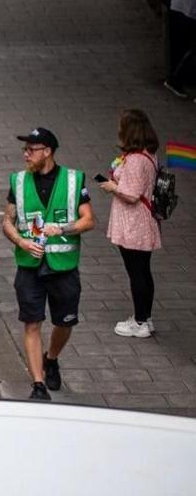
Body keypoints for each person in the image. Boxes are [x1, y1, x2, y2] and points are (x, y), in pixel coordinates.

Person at [2, 127, 94, 401]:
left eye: (31, 150)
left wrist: (62, 227)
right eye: (25, 149)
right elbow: (7, 220)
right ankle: (38, 385)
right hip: (29, 266)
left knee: (64, 322)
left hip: (63, 267)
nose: (26, 155)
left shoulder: (74, 180)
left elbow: (89, 220)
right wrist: (20, 241)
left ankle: (51, 357)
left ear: (48, 152)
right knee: (32, 323)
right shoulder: (18, 181)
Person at [98, 110, 162, 339]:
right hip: (143, 222)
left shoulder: (135, 161)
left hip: (133, 224)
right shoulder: (148, 154)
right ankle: (146, 316)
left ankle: (139, 322)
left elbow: (132, 194)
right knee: (143, 270)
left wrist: (112, 187)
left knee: (136, 272)